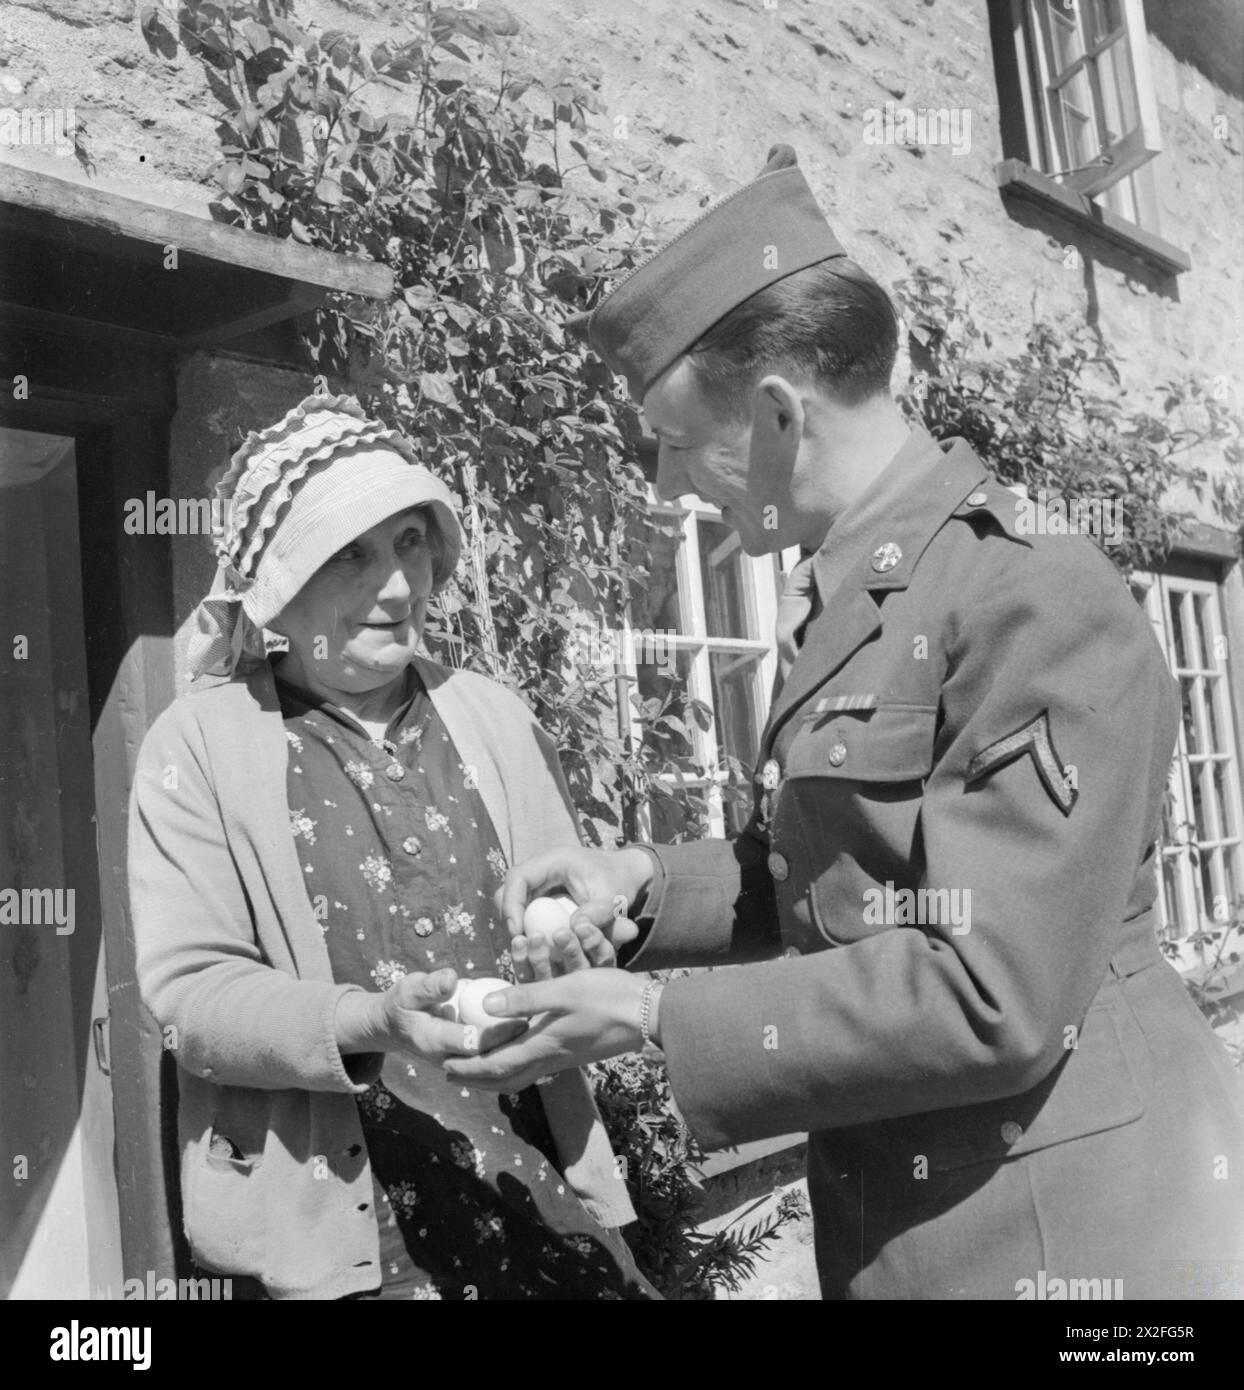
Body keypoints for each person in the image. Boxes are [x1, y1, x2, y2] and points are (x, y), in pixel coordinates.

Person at [445, 145, 1244, 1299]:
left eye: (673, 442)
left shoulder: (1030, 595)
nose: (668, 485)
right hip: (915, 1214)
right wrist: (642, 884)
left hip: (1062, 1229)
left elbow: (993, 992)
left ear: (776, 414)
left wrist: (648, 1014)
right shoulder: (862, 590)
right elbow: (848, 877)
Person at [128, 394, 655, 1300]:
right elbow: (190, 999)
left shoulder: (490, 715)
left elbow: (577, 905)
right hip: (342, 1231)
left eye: (411, 542)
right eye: (352, 554)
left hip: (535, 1192)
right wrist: (368, 1021)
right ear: (277, 586)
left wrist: (581, 941)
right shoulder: (201, 745)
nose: (400, 586)